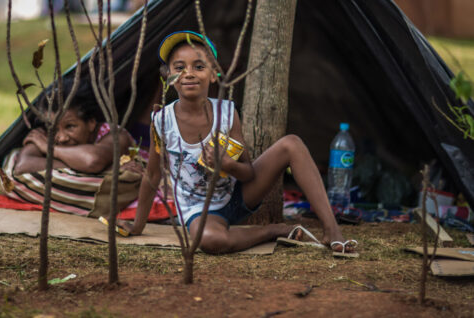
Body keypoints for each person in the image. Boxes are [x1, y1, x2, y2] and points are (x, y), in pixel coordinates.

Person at [120, 31, 358, 254]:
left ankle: (332, 230)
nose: (188, 73)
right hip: (199, 213)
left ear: (214, 74)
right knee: (212, 240)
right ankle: (272, 230)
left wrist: (226, 164)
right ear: (169, 77)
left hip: (238, 196)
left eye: (199, 67)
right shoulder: (162, 122)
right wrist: (138, 226)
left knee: (292, 144)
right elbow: (152, 176)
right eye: (179, 68)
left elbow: (247, 172)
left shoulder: (226, 113)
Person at [0, 80, 143, 217]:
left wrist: (49, 149)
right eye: (53, 129)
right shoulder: (45, 135)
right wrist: (86, 166)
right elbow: (23, 166)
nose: (61, 138)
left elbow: (92, 161)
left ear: (91, 122)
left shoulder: (115, 135)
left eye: (70, 126)